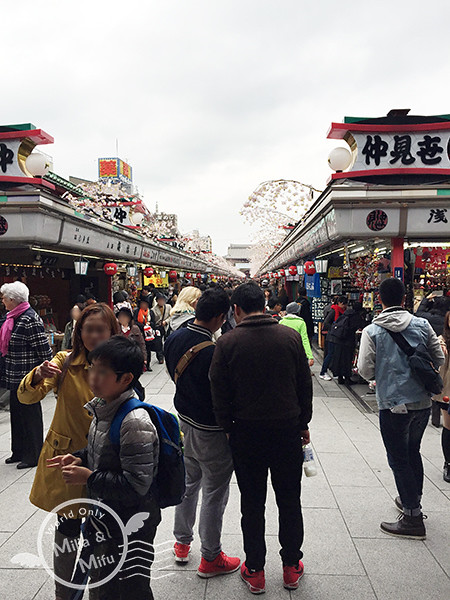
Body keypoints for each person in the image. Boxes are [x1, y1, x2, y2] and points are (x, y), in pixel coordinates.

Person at [210, 283, 313, 594]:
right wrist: (303, 422)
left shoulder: (227, 342)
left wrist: (227, 426)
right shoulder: (290, 337)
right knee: (289, 499)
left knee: (252, 503)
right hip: (286, 431)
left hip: (246, 433)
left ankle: (255, 570)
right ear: (265, 303)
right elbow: (303, 386)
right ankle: (291, 567)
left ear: (236, 310)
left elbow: (219, 391)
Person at [18, 303, 119, 600]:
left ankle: (99, 590)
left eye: (101, 329)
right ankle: (64, 592)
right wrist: (37, 374)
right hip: (68, 458)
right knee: (69, 526)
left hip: (105, 459)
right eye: (88, 329)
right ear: (79, 332)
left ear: (112, 331)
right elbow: (27, 397)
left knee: (103, 529)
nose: (94, 335)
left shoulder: (120, 363)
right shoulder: (64, 361)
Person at [47, 336, 161, 599]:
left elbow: (137, 485)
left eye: (102, 372)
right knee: (104, 582)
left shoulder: (135, 422)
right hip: (108, 517)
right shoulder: (103, 407)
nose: (93, 378)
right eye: (92, 369)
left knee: (131, 586)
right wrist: (79, 457)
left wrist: (89, 477)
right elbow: (103, 452)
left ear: (125, 379)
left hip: (132, 523)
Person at [358, 278, 444, 539]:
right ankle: (411, 499)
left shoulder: (372, 331)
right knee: (412, 451)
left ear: (380, 299)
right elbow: (439, 357)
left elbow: (365, 369)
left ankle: (412, 517)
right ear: (404, 298)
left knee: (398, 459)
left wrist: (383, 374)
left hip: (393, 404)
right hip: (422, 402)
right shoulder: (422, 324)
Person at [164, 288, 240, 578]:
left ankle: (182, 543)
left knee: (188, 484)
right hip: (211, 431)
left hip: (184, 423)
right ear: (220, 316)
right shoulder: (212, 351)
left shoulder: (175, 336)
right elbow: (223, 395)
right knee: (214, 493)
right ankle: (211, 557)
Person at [0, 282, 52, 469]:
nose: (3, 300)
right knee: (17, 414)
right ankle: (19, 451)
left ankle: (34, 454)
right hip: (13, 374)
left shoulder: (29, 319)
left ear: (13, 300)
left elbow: (44, 351)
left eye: (4, 297)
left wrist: (43, 375)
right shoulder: (12, 318)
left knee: (30, 415)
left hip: (27, 377)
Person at [330, 301, 367, 385]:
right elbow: (361, 326)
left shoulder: (345, 314)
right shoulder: (355, 316)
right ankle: (347, 378)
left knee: (339, 359)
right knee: (347, 360)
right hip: (348, 341)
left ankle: (340, 377)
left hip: (339, 339)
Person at [432, 311, 450, 482]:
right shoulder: (442, 340)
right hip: (448, 390)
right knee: (449, 426)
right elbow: (436, 347)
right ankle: (448, 463)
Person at [319, 295, 348, 381]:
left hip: (337, 336)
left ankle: (335, 373)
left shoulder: (342, 311)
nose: (345, 306)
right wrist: (335, 327)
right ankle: (323, 372)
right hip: (332, 336)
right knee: (330, 354)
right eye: (343, 304)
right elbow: (326, 322)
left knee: (335, 355)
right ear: (339, 303)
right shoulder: (333, 310)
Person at [134, 296, 157, 370]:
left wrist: (150, 324)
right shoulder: (137, 312)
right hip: (140, 332)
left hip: (148, 333)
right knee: (140, 348)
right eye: (142, 304)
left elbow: (154, 322)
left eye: (145, 304)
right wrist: (143, 326)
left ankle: (148, 364)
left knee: (148, 349)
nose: (144, 305)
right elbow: (135, 321)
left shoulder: (150, 312)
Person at [151, 293, 171, 363]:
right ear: (157, 301)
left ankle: (166, 353)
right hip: (158, 327)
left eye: (163, 300)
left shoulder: (168, 307)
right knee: (158, 342)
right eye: (160, 300)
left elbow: (171, 316)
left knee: (167, 341)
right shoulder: (153, 310)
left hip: (166, 326)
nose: (161, 302)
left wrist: (166, 321)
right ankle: (160, 357)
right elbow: (153, 320)